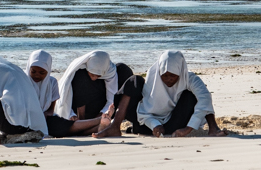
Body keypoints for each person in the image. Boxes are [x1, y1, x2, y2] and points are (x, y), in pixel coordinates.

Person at [94, 50, 227, 138]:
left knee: (196, 95)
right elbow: (143, 111)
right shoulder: (153, 79)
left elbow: (205, 98)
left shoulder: (190, 78)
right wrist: (154, 124)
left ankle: (213, 129)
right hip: (148, 124)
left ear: (180, 72)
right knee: (134, 80)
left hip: (175, 123)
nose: (168, 79)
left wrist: (188, 128)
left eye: (173, 76)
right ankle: (115, 126)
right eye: (165, 76)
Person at [54, 51, 125, 121]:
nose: (94, 78)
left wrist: (103, 114)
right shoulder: (79, 68)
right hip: (76, 105)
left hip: (99, 104)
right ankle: (81, 119)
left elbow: (111, 98)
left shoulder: (110, 70)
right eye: (92, 74)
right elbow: (65, 93)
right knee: (81, 76)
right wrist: (71, 115)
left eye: (98, 75)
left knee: (123, 69)